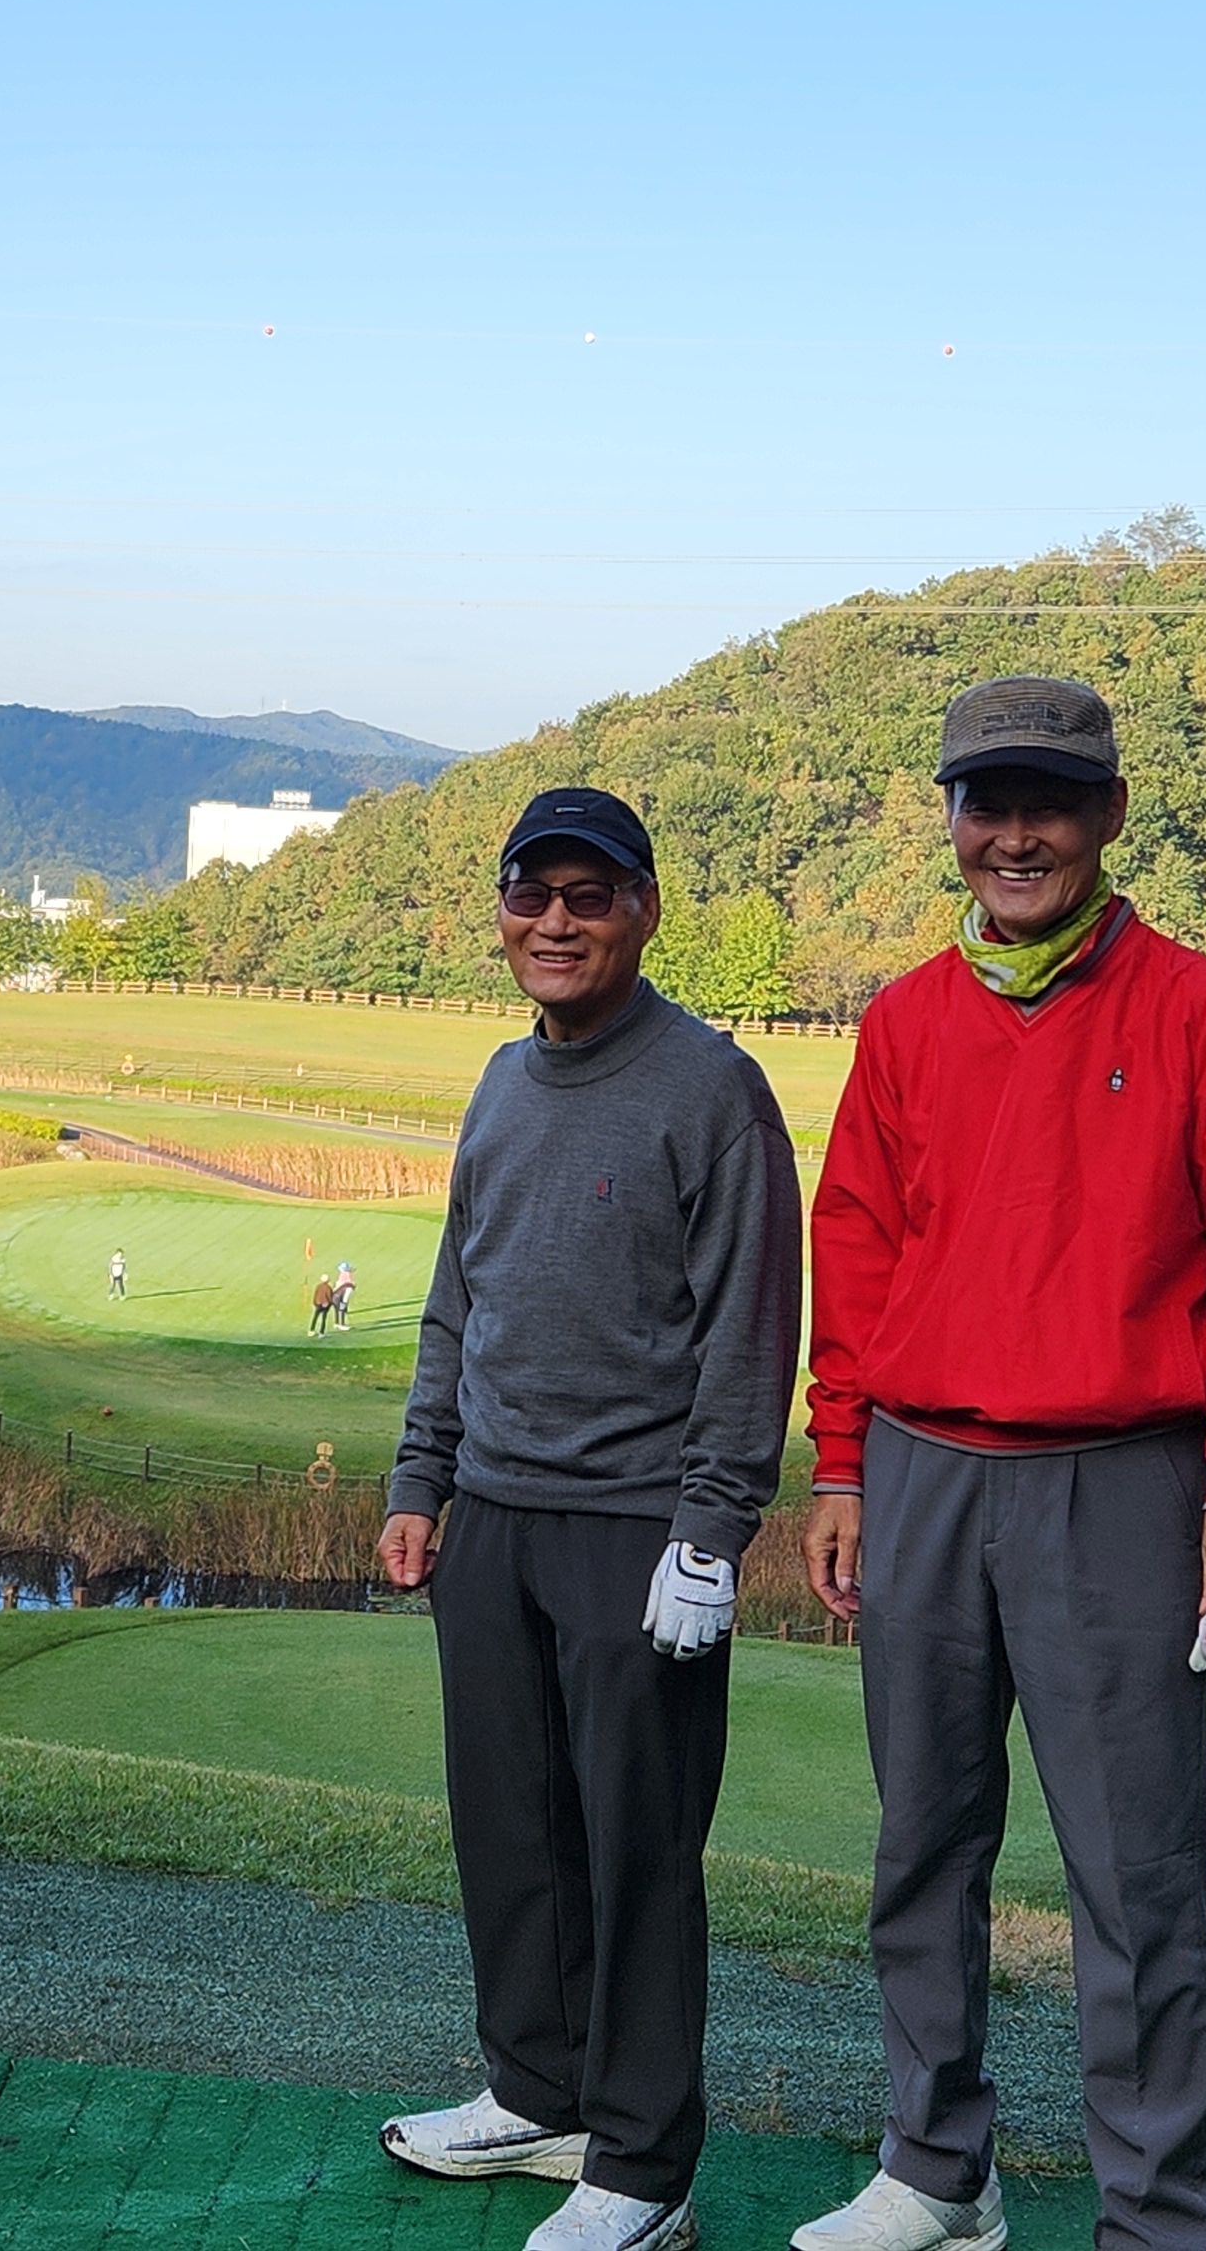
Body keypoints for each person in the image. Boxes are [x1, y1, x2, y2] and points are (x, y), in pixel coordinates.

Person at [792, 677, 1206, 2251]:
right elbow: (858, 1252)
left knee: (1136, 1879)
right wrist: (841, 1464)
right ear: (954, 821)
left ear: (1108, 816)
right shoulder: (906, 1019)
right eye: (987, 804)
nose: (1014, 836)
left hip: (1127, 1484)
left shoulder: (1200, 1010)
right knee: (921, 1848)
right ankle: (935, 2172)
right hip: (920, 1472)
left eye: (1048, 804)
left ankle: (1154, 2220)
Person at [377, 787, 802, 2251]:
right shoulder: (502, 1082)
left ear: (644, 911)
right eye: (530, 894)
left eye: (588, 895)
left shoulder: (713, 1088)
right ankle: (536, 2092)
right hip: (493, 1517)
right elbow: (459, 1298)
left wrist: (711, 1531)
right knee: (511, 1833)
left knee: (636, 1855)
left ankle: (642, 2167)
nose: (554, 922)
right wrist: (421, 1479)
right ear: (503, 913)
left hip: (636, 1531)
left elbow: (751, 1327)